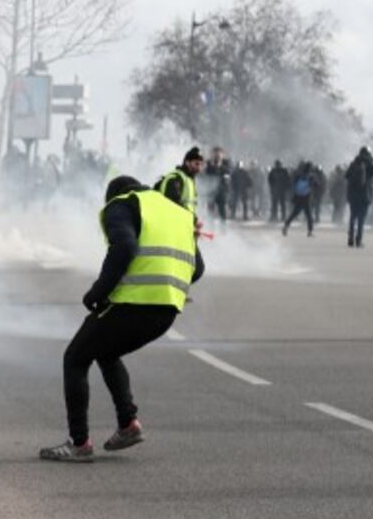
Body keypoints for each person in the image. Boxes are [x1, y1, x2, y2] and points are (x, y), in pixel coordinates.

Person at [37, 176, 204, 462]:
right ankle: (128, 424)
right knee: (106, 351)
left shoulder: (122, 204)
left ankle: (79, 443)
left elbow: (124, 247)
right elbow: (197, 269)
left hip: (134, 302)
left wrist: (97, 292)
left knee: (75, 358)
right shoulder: (179, 213)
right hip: (168, 310)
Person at [346, 147, 373, 248]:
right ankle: (358, 240)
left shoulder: (354, 163)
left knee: (352, 217)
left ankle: (350, 238)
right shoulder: (370, 163)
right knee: (361, 219)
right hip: (365, 194)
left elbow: (346, 176)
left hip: (353, 194)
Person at [156, 147, 203, 213]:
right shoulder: (177, 178)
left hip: (182, 221)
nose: (199, 168)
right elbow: (173, 204)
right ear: (187, 162)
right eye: (196, 164)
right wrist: (194, 220)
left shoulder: (189, 180)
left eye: (201, 165)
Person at [282, 161, 315, 237]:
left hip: (298, 197)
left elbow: (293, 185)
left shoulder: (298, 175)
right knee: (309, 216)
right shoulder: (311, 176)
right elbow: (316, 185)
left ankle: (286, 226)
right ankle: (310, 231)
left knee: (294, 214)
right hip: (306, 198)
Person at [203, 147, 230, 223]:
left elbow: (227, 181)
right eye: (215, 153)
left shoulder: (226, 166)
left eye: (219, 153)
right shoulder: (208, 165)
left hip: (221, 193)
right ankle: (211, 230)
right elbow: (204, 177)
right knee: (210, 212)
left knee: (222, 213)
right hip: (211, 192)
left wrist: (226, 193)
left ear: (222, 155)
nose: (217, 155)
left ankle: (223, 231)